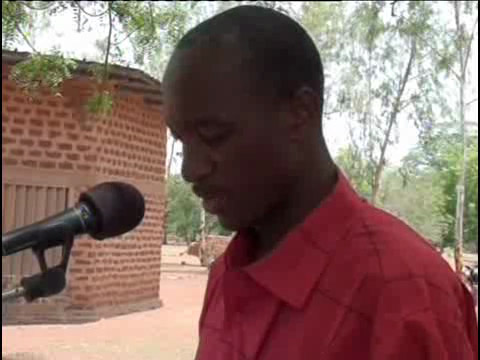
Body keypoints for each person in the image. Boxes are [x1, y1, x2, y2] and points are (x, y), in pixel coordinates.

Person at [162, 5, 478, 360]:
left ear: (300, 114)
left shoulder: (401, 291)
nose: (190, 169)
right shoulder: (226, 274)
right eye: (181, 140)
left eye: (213, 135)